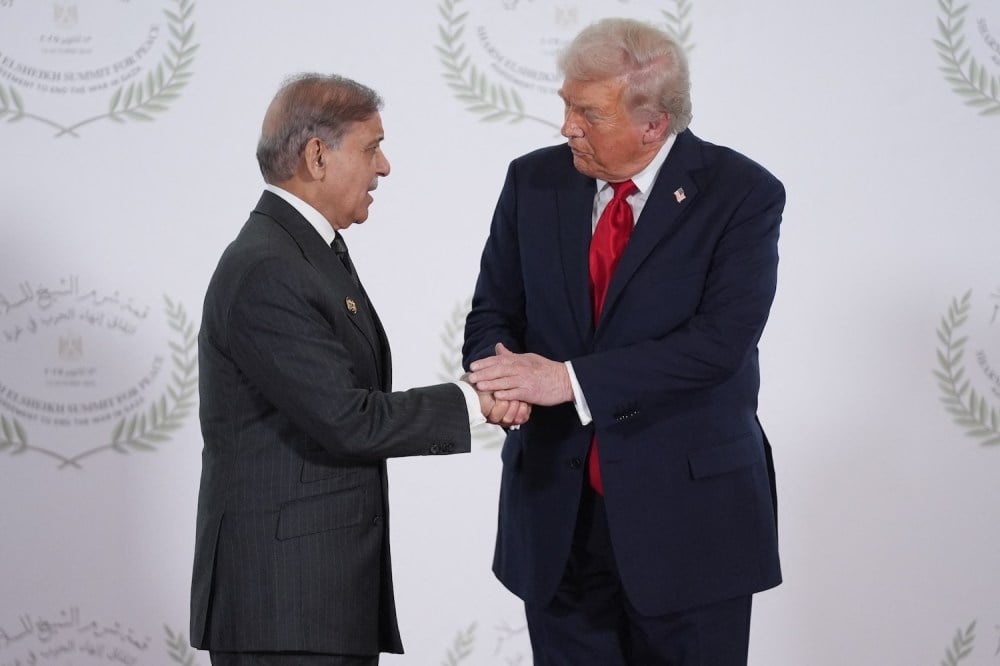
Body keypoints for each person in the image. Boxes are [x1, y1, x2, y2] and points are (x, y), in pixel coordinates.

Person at [464, 18, 784, 666]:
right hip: (558, 523)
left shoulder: (742, 194)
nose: (567, 128)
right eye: (566, 106)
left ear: (653, 125)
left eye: (588, 114)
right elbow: (493, 312)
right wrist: (500, 380)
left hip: (691, 526)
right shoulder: (533, 181)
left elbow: (717, 344)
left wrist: (566, 381)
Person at [190, 73, 519, 666]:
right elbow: (347, 419)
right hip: (283, 609)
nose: (384, 167)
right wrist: (478, 398)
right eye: (372, 148)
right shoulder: (270, 267)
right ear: (317, 156)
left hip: (316, 604)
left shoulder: (302, 252)